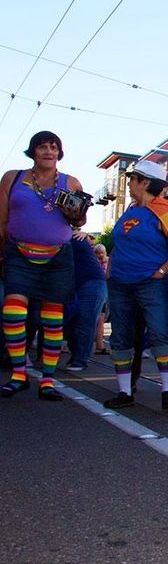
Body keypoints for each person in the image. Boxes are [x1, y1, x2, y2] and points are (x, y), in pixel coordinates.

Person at [0, 131, 86, 401]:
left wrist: (76, 214)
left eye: (53, 147)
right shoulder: (12, 178)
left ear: (59, 153)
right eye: (42, 147)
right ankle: (19, 374)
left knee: (52, 320)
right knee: (12, 312)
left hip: (57, 257)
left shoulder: (71, 182)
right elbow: (2, 219)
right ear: (33, 151)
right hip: (19, 253)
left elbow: (79, 222)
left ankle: (47, 381)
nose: (48, 152)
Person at [102, 160, 168, 410]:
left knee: (160, 332)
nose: (129, 183)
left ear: (145, 182)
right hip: (120, 283)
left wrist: (161, 272)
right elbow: (118, 245)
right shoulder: (130, 211)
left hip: (150, 283)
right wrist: (110, 272)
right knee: (121, 335)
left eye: (132, 179)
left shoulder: (165, 210)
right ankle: (124, 392)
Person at [64, 231, 108, 372]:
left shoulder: (72, 238)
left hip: (91, 283)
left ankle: (80, 360)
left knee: (85, 322)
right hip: (79, 285)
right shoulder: (72, 237)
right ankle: (77, 356)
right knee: (71, 323)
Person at [93, 243, 110, 354]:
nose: (100, 255)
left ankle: (100, 345)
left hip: (106, 293)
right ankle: (99, 345)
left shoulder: (108, 262)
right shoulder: (93, 263)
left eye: (102, 253)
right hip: (98, 292)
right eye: (97, 253)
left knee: (102, 319)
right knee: (100, 319)